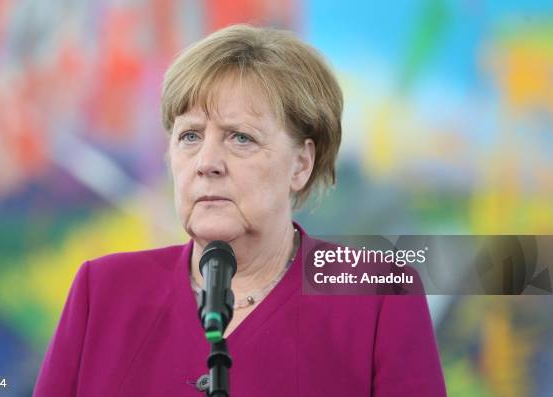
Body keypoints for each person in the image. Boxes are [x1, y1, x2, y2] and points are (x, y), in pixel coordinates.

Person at [34, 24, 446, 396]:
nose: (207, 161)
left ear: (301, 164)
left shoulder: (377, 296)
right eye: (190, 135)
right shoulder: (103, 290)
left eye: (241, 138)